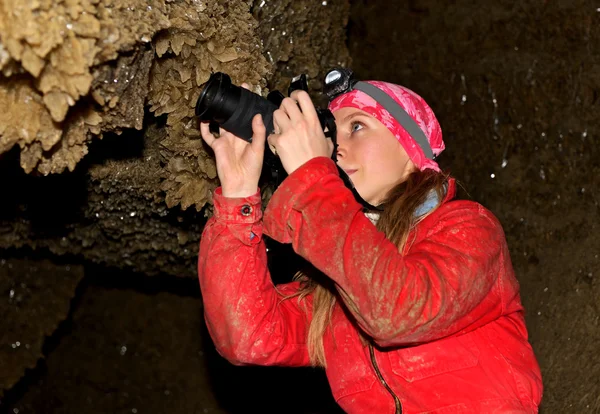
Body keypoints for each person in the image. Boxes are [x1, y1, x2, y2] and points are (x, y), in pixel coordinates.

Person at [198, 71, 543, 413]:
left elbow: (396, 310)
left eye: (357, 127)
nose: (338, 149)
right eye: (331, 136)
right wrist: (238, 196)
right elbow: (248, 337)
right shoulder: (337, 293)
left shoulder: (469, 228)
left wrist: (313, 178)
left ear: (409, 148)